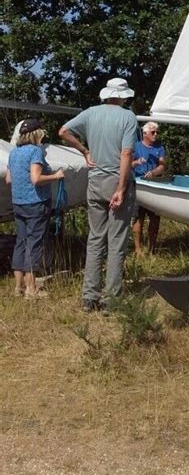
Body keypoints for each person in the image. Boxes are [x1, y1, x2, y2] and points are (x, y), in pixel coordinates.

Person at [58, 76, 137, 312]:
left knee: (95, 238)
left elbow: (63, 131)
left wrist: (84, 150)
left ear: (106, 94)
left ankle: (89, 296)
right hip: (117, 179)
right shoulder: (128, 117)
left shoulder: (91, 113)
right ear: (124, 97)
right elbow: (126, 155)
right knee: (116, 241)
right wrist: (122, 188)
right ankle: (111, 298)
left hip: (95, 180)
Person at [5, 118, 64, 299]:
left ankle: (18, 287)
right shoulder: (36, 152)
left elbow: (9, 179)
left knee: (21, 242)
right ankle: (31, 289)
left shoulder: (14, 153)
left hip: (18, 202)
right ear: (37, 133)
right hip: (36, 203)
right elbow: (36, 179)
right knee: (34, 243)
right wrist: (56, 176)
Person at [132, 122, 166, 254]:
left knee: (155, 218)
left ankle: (152, 248)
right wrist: (136, 162)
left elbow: (163, 165)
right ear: (145, 133)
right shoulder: (136, 147)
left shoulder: (159, 148)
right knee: (137, 217)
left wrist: (154, 173)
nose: (156, 134)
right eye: (153, 132)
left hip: (154, 186)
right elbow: (127, 163)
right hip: (139, 186)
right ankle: (138, 249)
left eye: (157, 132)